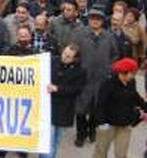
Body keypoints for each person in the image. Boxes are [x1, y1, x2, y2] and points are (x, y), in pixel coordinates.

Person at [72, 8, 119, 147]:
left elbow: (115, 55)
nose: (95, 21)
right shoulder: (80, 34)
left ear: (102, 21)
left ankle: (92, 131)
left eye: (98, 19)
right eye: (92, 18)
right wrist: (77, 67)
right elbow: (72, 51)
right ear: (89, 19)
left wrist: (109, 69)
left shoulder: (109, 37)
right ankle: (80, 134)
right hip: (83, 78)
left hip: (101, 78)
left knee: (96, 107)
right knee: (80, 109)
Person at [93, 57, 147, 158]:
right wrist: (101, 122)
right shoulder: (108, 83)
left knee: (121, 154)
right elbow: (100, 104)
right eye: (132, 73)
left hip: (125, 124)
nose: (134, 75)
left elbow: (135, 96)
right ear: (123, 72)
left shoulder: (131, 82)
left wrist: (145, 107)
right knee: (100, 152)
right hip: (108, 124)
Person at [43, 43, 86, 158]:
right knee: (48, 142)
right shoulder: (52, 61)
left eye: (68, 56)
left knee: (56, 141)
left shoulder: (80, 71)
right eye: (64, 54)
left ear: (75, 58)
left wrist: (58, 89)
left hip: (64, 109)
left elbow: (77, 90)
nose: (64, 57)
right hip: (49, 107)